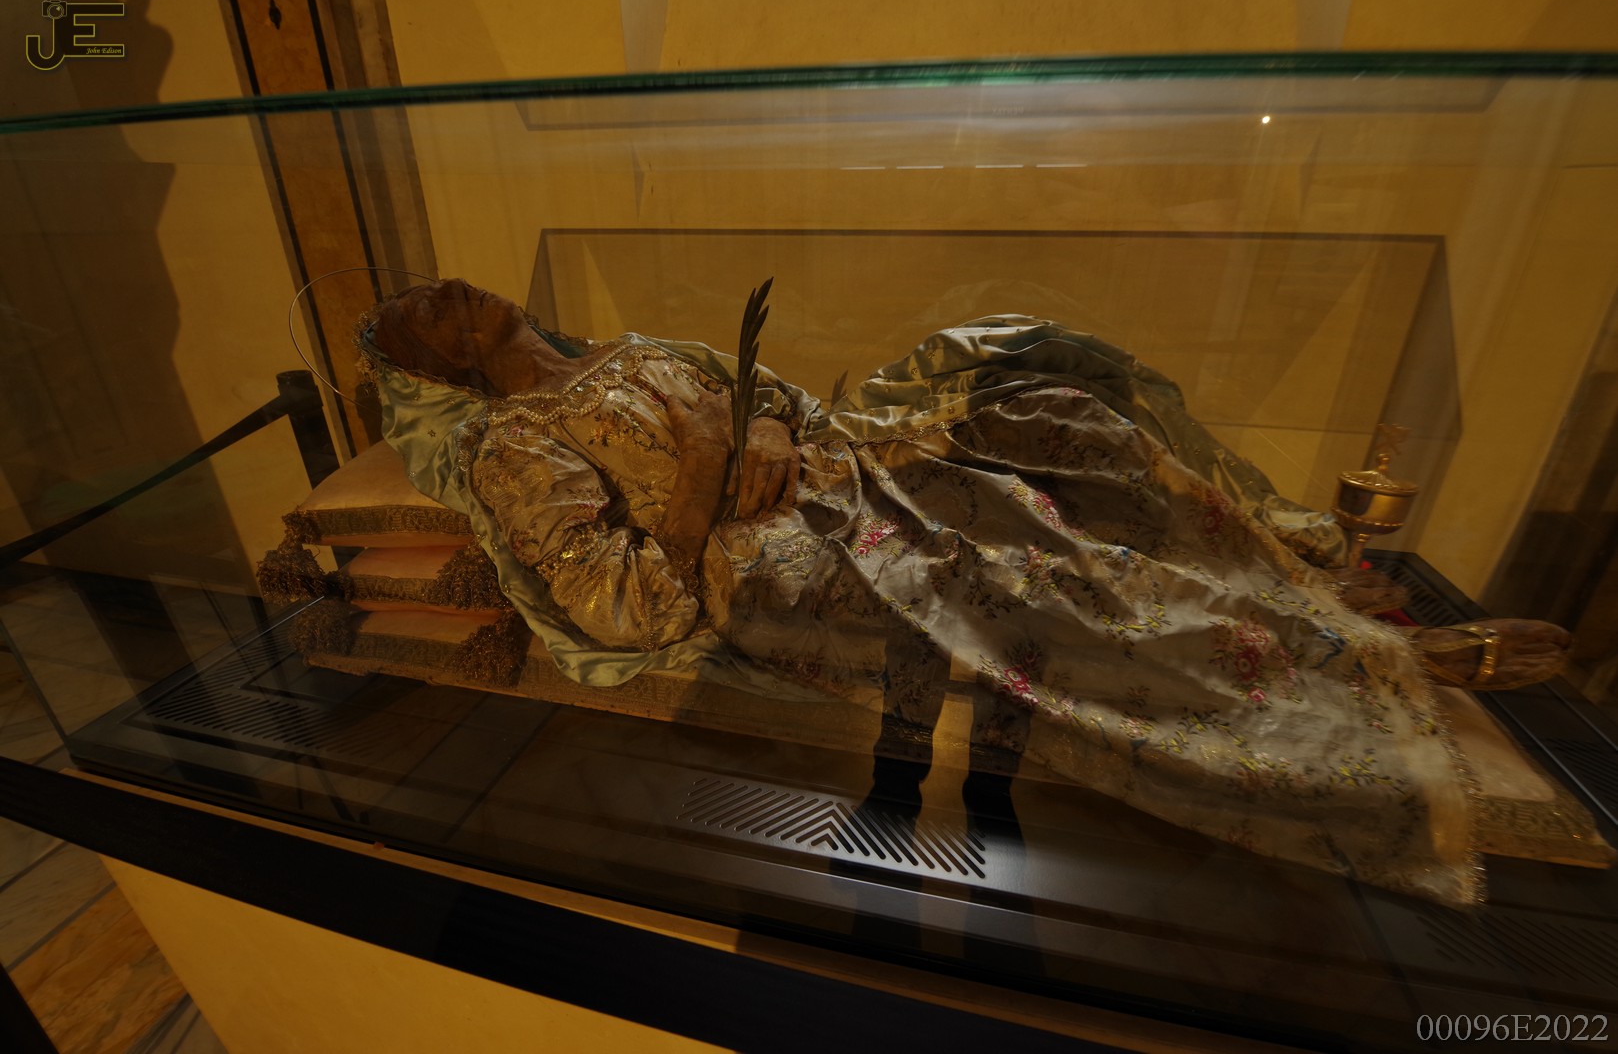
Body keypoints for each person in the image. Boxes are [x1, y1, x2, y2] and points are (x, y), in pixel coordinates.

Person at [359, 277, 1570, 905]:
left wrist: (771, 426)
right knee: (1005, 577)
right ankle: (1353, 677)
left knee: (1060, 418)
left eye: (446, 283)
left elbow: (773, 396)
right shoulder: (514, 445)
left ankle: (1301, 583)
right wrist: (707, 483)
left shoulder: (636, 350)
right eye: (427, 311)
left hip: (834, 468)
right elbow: (618, 606)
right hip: (762, 566)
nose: (450, 292)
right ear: (436, 362)